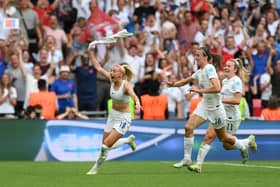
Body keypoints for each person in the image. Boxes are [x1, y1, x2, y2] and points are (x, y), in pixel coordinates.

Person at [167, 47, 257, 173]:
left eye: (198, 55)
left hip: (217, 110)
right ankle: (189, 160)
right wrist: (174, 84)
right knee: (189, 128)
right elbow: (186, 80)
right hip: (205, 106)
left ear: (206, 57)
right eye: (196, 55)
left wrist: (200, 91)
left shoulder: (210, 69)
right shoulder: (201, 71)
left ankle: (245, 144)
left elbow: (217, 88)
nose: (196, 58)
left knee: (225, 140)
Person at [86, 43, 141, 175]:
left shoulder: (125, 85)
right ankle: (128, 140)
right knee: (105, 144)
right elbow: (98, 67)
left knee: (105, 146)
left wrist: (137, 103)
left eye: (114, 71)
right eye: (111, 70)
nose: (111, 72)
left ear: (121, 74)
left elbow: (133, 94)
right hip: (112, 116)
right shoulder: (111, 81)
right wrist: (90, 52)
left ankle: (95, 169)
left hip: (124, 118)